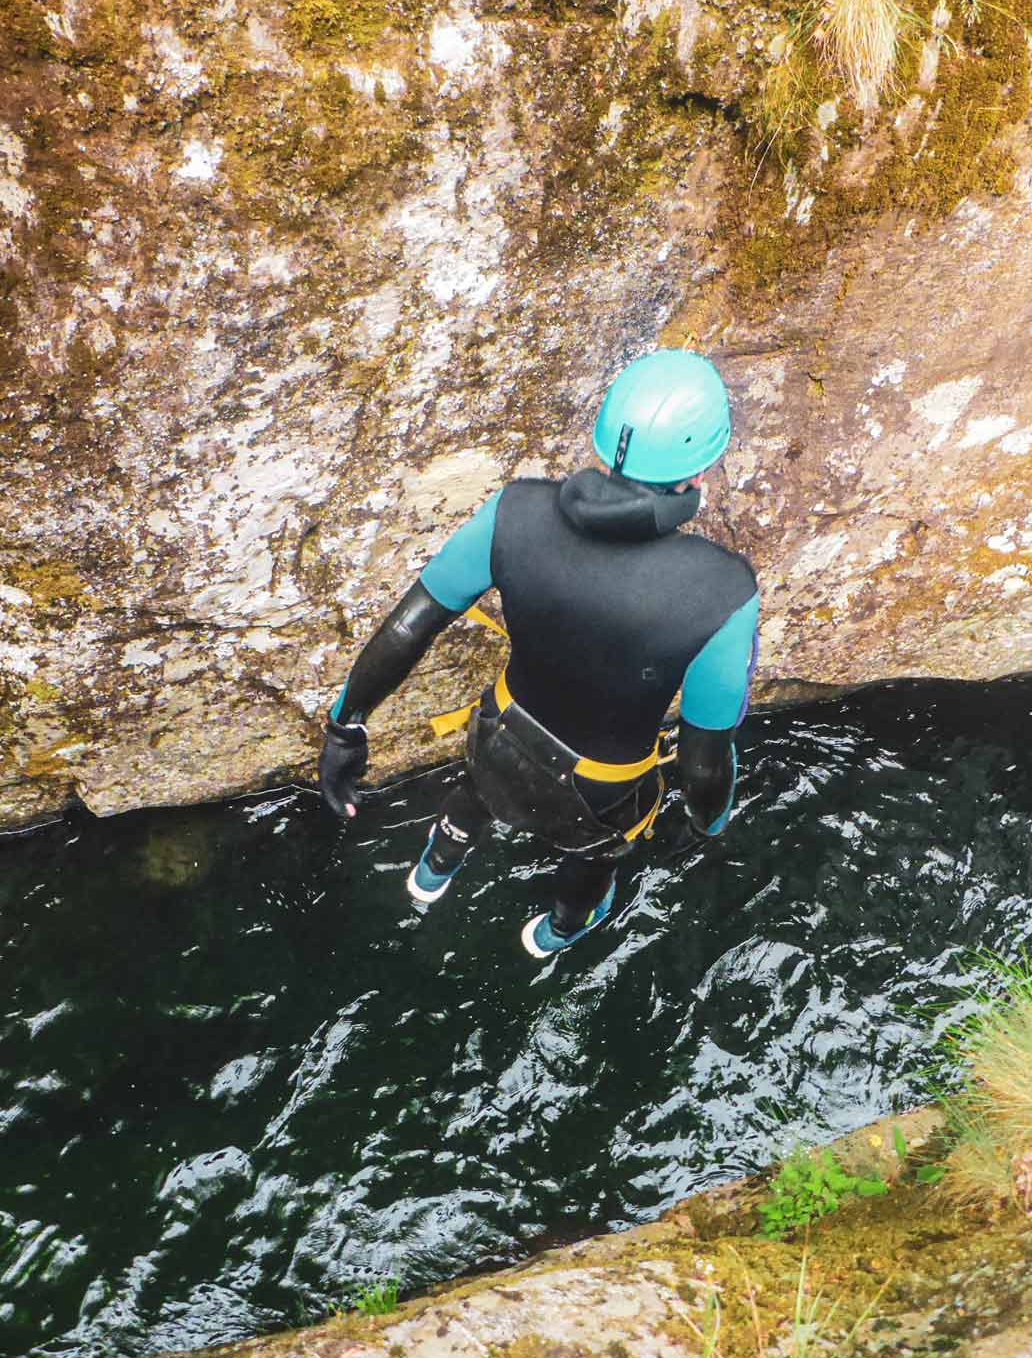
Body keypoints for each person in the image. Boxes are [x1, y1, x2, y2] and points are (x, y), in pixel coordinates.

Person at [317, 349, 761, 957]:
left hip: (499, 735)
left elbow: (409, 628)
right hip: (601, 790)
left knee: (476, 795)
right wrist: (706, 823)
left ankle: (433, 872)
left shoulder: (516, 511)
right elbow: (706, 757)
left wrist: (346, 727)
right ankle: (555, 932)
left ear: (603, 442)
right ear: (702, 474)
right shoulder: (723, 593)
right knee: (590, 862)